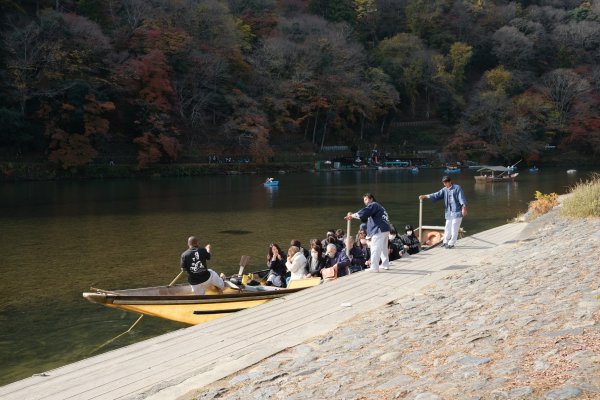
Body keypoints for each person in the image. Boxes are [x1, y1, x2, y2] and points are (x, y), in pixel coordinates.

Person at [345, 193, 391, 272]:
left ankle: (374, 267)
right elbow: (366, 217)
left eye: (366, 199)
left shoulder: (373, 205)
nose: (365, 202)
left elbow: (365, 211)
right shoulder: (379, 206)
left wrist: (352, 215)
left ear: (371, 199)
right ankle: (385, 264)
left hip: (379, 229)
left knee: (375, 248)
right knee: (383, 248)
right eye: (364, 200)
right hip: (385, 228)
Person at [419, 175, 467, 249]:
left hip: (457, 211)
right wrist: (426, 196)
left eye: (446, 182)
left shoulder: (457, 188)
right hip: (449, 212)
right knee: (447, 227)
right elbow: (436, 194)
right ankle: (445, 242)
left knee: (454, 227)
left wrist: (464, 208)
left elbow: (462, 198)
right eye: (444, 183)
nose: (445, 184)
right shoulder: (444, 190)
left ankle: (451, 243)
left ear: (450, 182)